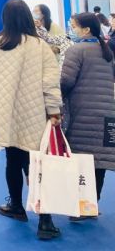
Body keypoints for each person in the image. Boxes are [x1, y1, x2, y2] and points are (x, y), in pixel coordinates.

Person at [0, 0, 62, 241]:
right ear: (28, 18)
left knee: (12, 160)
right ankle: (45, 220)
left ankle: (16, 206)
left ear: (4, 18)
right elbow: (50, 81)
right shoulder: (39, 46)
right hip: (34, 114)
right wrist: (54, 111)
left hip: (4, 115)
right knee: (36, 165)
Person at [61, 12, 115, 217]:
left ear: (86, 30)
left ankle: (79, 205)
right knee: (98, 161)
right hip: (106, 112)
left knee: (80, 161)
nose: (71, 30)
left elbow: (66, 81)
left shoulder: (76, 50)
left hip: (82, 113)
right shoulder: (106, 51)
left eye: (74, 26)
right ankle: (92, 205)